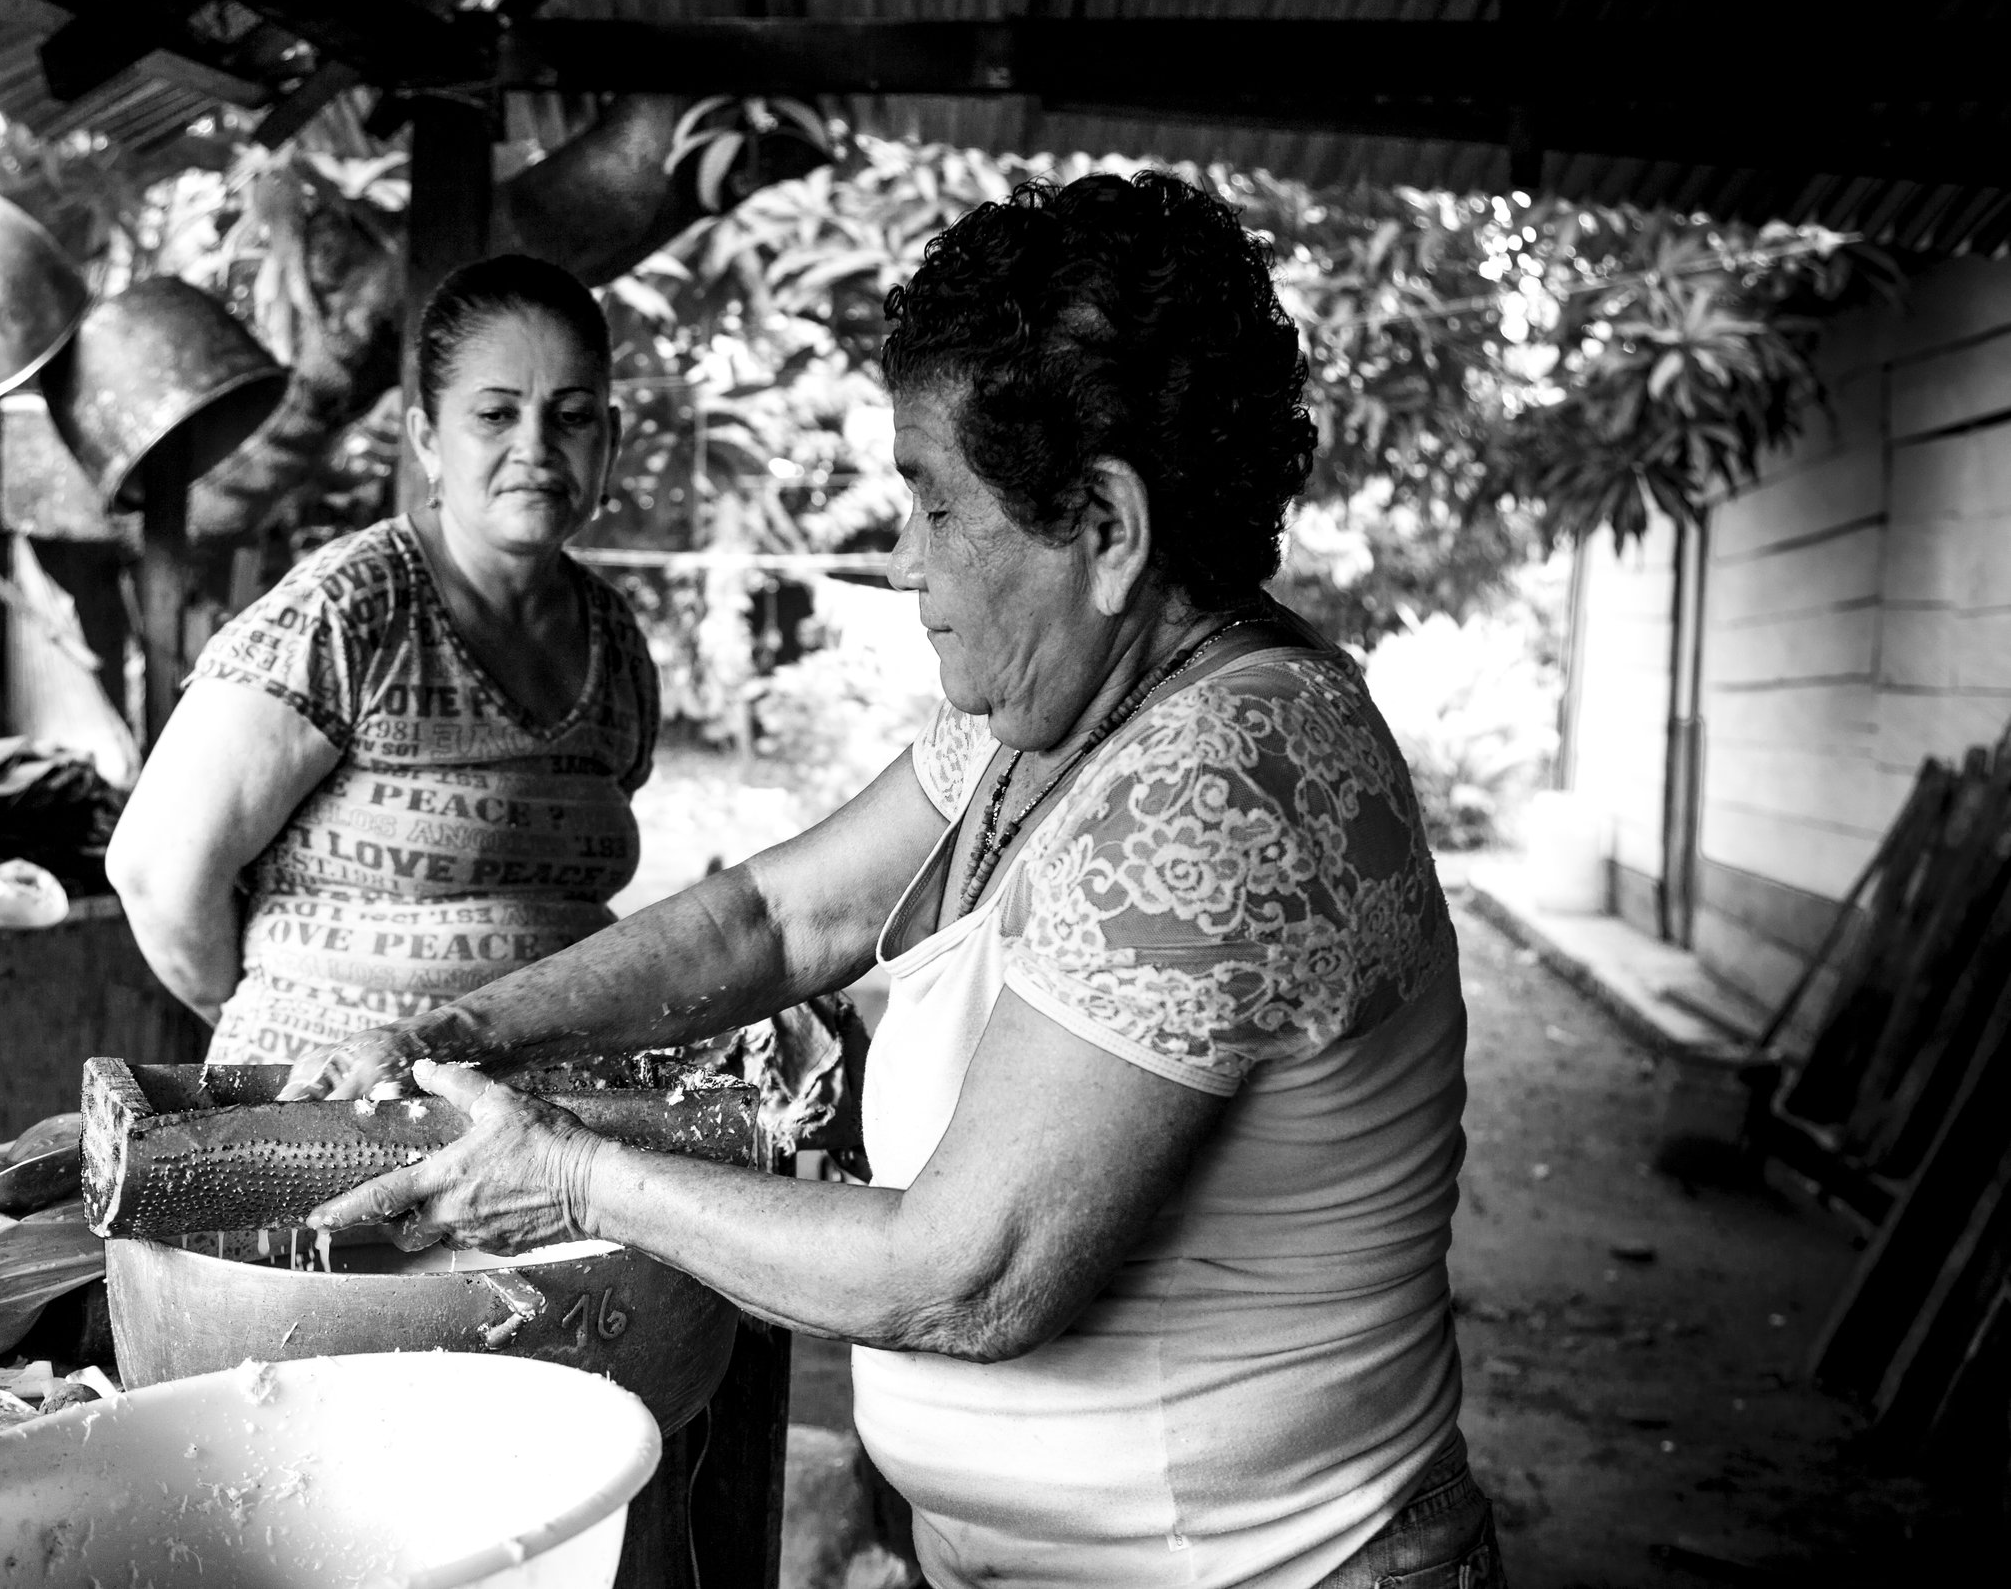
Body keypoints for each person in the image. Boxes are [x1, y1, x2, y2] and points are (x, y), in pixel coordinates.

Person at [287, 173, 1498, 1589]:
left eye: (934, 504)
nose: (903, 560)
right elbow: (772, 913)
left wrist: (567, 1178)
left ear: (1104, 526)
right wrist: (469, 1029)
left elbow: (968, 1271)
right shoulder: (1039, 715)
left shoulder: (1230, 774)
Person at [108, 255, 660, 1067]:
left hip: (544, 1129)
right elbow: (156, 871)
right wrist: (288, 1017)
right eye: (496, 415)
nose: (536, 446)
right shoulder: (348, 610)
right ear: (429, 440)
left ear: (608, 440)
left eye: (572, 416)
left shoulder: (614, 640)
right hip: (328, 1119)